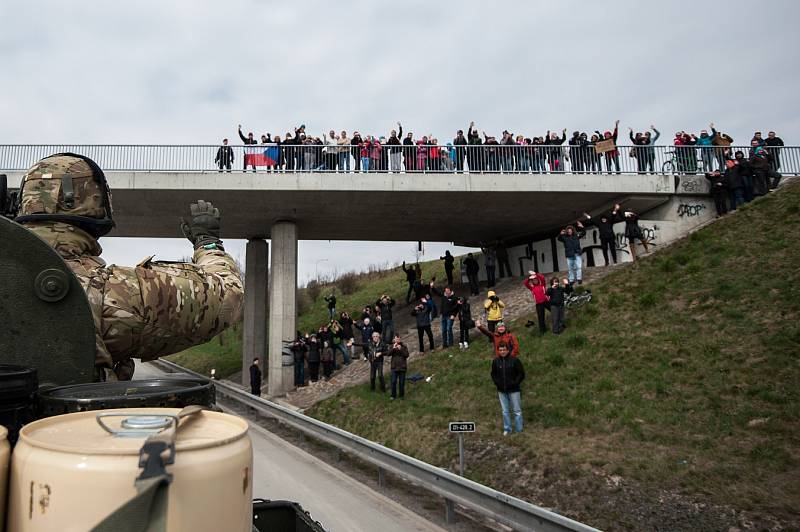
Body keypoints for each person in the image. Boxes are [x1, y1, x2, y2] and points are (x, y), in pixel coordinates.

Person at [15, 154, 244, 381]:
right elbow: (228, 298)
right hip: (68, 418)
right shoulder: (117, 292)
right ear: (94, 201)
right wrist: (208, 243)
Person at [490, 343, 525, 435]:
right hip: (501, 390)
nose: (502, 352)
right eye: (500, 350)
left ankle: (519, 429)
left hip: (514, 390)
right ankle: (507, 429)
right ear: (498, 351)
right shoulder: (496, 361)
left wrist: (515, 383)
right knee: (505, 411)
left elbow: (521, 374)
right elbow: (493, 374)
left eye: (504, 350)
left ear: (508, 350)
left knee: (517, 411)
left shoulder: (515, 360)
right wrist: (497, 383)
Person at [430, 282, 459, 348]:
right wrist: (432, 287)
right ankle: (445, 344)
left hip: (450, 316)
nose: (446, 292)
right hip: (443, 316)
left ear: (450, 291)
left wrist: (453, 315)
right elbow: (437, 293)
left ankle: (450, 343)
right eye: (445, 291)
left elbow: (457, 308)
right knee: (443, 330)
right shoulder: (443, 296)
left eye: (447, 291)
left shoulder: (454, 298)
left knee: (449, 329)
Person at [389, 334, 409, 400]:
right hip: (394, 367)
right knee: (393, 382)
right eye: (396, 339)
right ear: (394, 340)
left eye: (399, 339)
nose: (397, 340)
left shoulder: (404, 346)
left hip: (402, 367)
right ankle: (393, 395)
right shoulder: (392, 346)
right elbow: (388, 354)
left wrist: (401, 349)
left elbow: (406, 355)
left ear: (400, 339)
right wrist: (394, 348)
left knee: (401, 383)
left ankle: (401, 396)